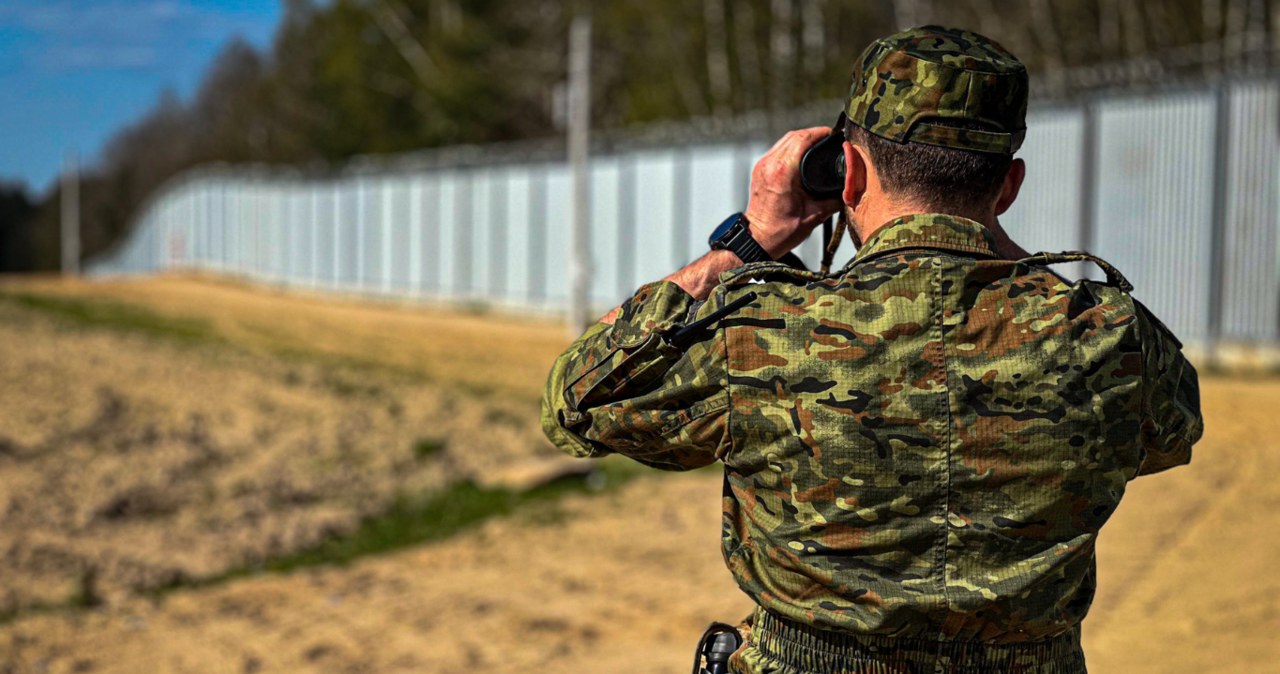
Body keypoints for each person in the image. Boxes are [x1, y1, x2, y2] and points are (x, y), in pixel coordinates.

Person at [540, 25, 1202, 674]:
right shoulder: (1106, 337)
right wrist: (991, 240)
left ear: (846, 170)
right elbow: (1173, 430)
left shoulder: (763, 331)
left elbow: (578, 402)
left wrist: (749, 241)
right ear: (1010, 185)